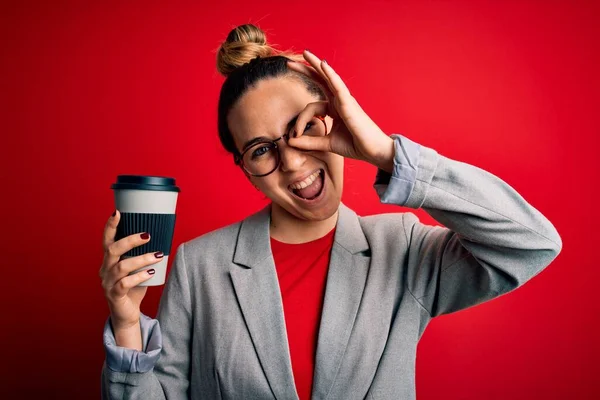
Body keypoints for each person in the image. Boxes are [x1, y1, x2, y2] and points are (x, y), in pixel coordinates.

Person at [99, 24, 562, 400]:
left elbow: (530, 243)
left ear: (335, 118)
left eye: (304, 127)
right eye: (261, 150)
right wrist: (125, 321)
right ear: (244, 168)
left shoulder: (400, 247)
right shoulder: (201, 266)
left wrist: (384, 152)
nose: (294, 162)